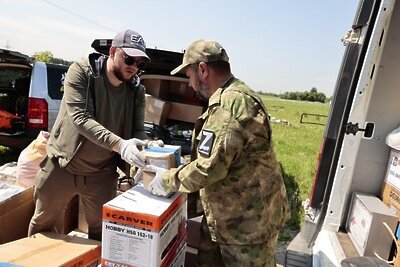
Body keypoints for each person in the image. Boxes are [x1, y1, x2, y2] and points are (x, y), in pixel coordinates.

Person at [144, 40, 291, 266]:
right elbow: (219, 154)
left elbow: (208, 168)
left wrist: (166, 180)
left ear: (202, 70)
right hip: (227, 216)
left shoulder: (228, 104)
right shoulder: (239, 94)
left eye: (189, 76)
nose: (190, 84)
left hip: (246, 227)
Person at [28, 29, 157, 241]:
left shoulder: (136, 90)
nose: (133, 67)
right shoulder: (82, 72)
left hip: (101, 173)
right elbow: (80, 118)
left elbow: (138, 130)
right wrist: (121, 145)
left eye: (139, 63)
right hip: (62, 165)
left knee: (103, 234)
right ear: (113, 51)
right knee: (41, 225)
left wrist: (145, 148)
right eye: (129, 58)